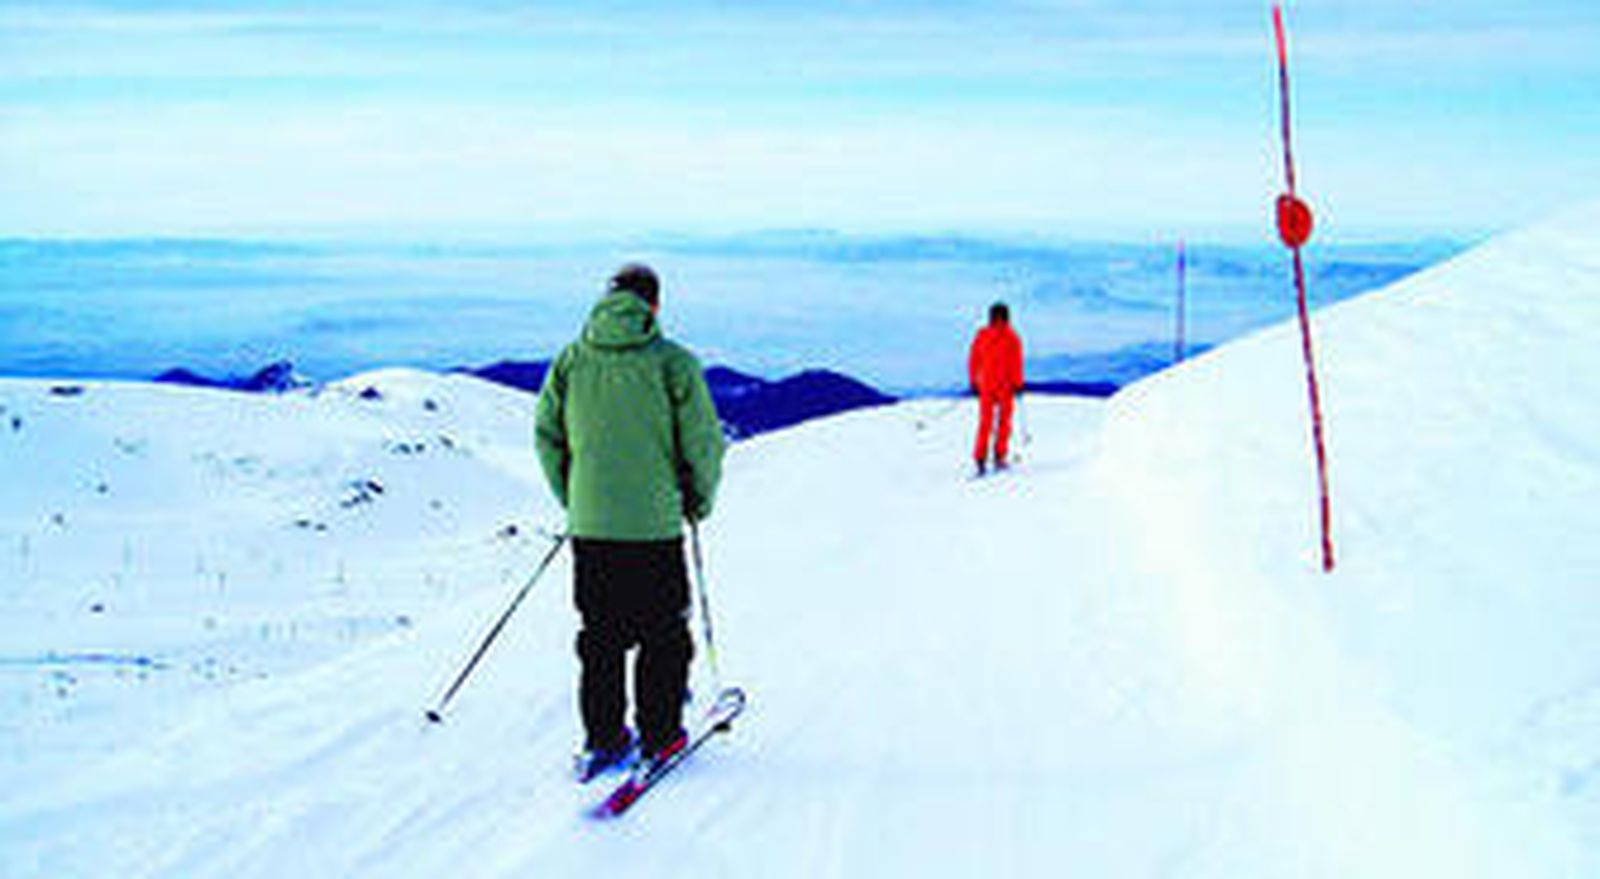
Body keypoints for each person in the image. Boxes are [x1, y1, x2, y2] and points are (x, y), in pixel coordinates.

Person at [534, 263, 726, 781]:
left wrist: (575, 499)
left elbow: (546, 437)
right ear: (654, 305)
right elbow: (704, 443)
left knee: (601, 636)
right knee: (663, 635)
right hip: (654, 528)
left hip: (592, 530)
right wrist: (698, 501)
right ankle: (660, 736)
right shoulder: (674, 364)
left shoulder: (570, 362)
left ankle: (604, 739)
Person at [967, 301, 1024, 475]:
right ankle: (999, 457)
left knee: (985, 423)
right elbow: (1017, 364)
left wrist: (974, 381)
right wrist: (1018, 384)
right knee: (1003, 423)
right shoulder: (1013, 337)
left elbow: (973, 360)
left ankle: (980, 459)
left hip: (987, 385)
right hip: (1004, 386)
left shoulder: (982, 335)